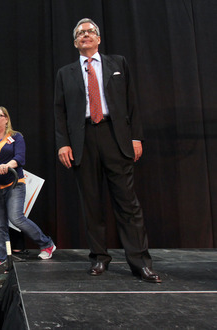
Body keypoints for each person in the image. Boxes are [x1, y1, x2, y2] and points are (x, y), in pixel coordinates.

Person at [53, 18, 161, 283]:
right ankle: (99, 258)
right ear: (75, 42)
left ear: (98, 39)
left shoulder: (118, 64)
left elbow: (131, 102)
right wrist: (63, 143)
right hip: (83, 139)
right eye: (80, 33)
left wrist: (136, 137)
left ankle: (140, 263)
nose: (85, 35)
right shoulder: (65, 73)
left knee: (128, 204)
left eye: (90, 32)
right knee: (92, 205)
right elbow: (59, 111)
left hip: (116, 137)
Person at [0, 106, 56, 263]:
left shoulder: (16, 137)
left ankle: (47, 244)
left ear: (6, 119)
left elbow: (20, 157)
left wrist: (8, 165)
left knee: (16, 218)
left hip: (14, 184)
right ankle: (4, 258)